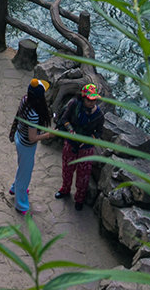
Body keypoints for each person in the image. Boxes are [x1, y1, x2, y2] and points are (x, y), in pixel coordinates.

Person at [54, 83, 105, 211]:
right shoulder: (74, 105)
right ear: (83, 98)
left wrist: (87, 140)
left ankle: (79, 199)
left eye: (94, 100)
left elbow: (98, 133)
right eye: (89, 100)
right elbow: (64, 119)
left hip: (86, 149)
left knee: (83, 176)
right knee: (67, 169)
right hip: (71, 143)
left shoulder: (99, 115)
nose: (92, 103)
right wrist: (71, 132)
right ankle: (65, 190)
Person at [9, 78, 51, 215]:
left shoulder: (24, 100)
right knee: (25, 174)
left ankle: (15, 188)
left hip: (19, 137)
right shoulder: (34, 115)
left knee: (22, 168)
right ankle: (21, 205)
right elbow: (32, 138)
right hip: (27, 146)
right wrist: (48, 135)